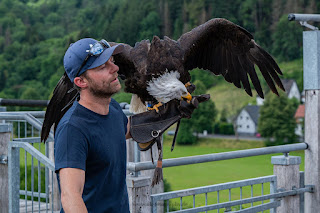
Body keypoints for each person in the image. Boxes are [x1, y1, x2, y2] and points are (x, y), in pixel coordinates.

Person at [54, 38, 131, 212]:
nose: (116, 68)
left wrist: (164, 114)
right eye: (103, 67)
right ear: (81, 82)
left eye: (111, 61)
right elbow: (71, 196)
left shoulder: (114, 109)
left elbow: (123, 130)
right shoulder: (73, 129)